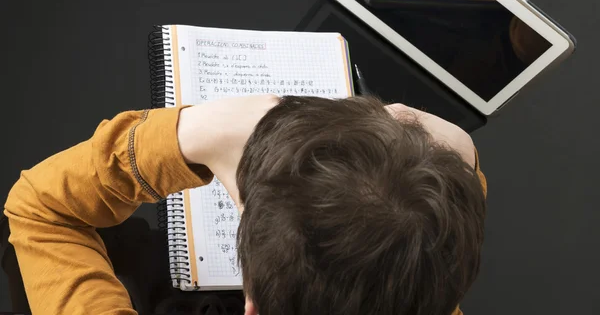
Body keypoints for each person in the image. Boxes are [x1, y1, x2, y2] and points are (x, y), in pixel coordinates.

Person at [4, 94, 486, 315]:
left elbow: (40, 211)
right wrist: (467, 168)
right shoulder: (426, 282)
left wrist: (192, 133)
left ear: (250, 305)